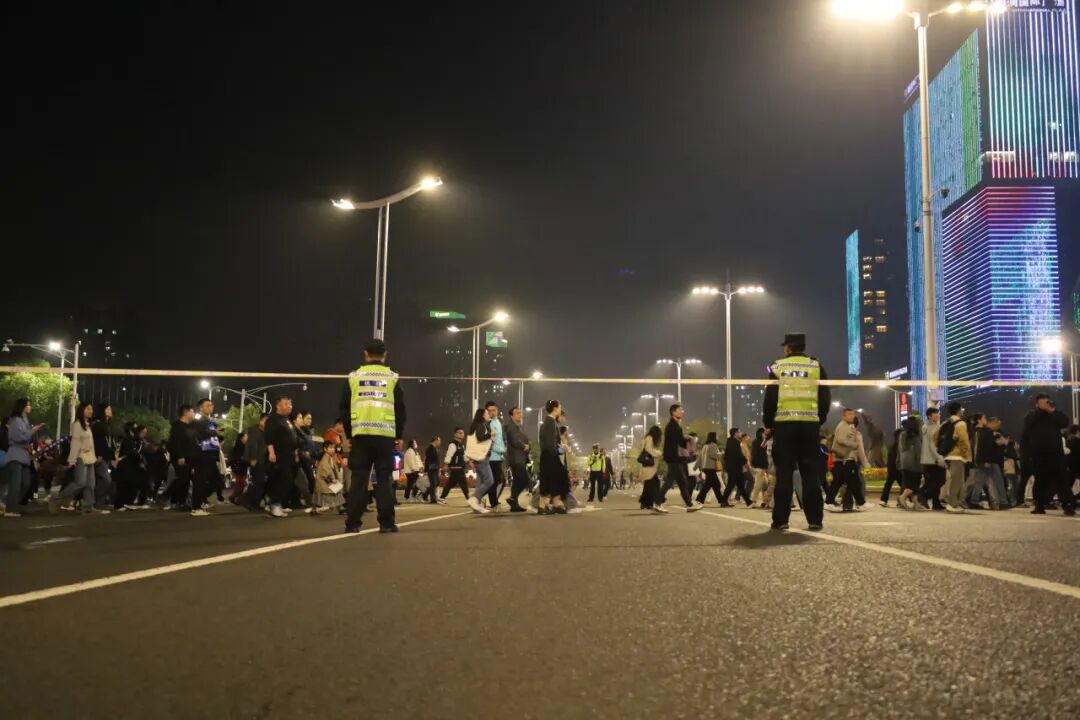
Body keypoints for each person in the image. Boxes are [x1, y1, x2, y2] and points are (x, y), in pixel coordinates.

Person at [762, 332, 830, 531]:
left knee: (784, 474)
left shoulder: (777, 367)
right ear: (804, 347)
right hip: (809, 426)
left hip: (784, 426)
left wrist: (768, 423)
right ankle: (815, 520)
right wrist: (819, 419)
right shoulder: (816, 367)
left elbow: (770, 398)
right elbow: (825, 396)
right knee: (810, 475)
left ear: (787, 347)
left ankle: (781, 520)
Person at [341, 339, 406, 534]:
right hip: (385, 434)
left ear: (365, 354)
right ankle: (386, 523)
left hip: (360, 434)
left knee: (359, 478)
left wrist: (349, 434)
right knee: (384, 478)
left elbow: (344, 408)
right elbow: (400, 409)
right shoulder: (392, 377)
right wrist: (398, 435)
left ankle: (352, 523)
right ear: (385, 355)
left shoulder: (354, 377)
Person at [1020, 394, 1073, 516]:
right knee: (1040, 481)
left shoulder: (1055, 414)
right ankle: (1039, 505)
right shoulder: (1031, 415)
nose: (1046, 405)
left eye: (1047, 402)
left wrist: (1052, 411)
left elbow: (1065, 422)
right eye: (1043, 403)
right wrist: (1041, 410)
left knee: (1061, 480)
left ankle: (1067, 505)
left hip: (1056, 453)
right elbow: (1029, 424)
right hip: (1039, 454)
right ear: (1037, 404)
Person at [2, 398, 46, 517]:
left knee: (26, 483)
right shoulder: (15, 420)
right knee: (15, 484)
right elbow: (19, 438)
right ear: (22, 407)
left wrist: (33, 431)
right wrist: (33, 430)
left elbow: (28, 437)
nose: (30, 407)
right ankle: (10, 509)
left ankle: (8, 503)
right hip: (16, 455)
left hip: (24, 456)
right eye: (28, 405)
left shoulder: (25, 419)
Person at [52, 401, 98, 513]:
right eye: (88, 409)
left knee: (90, 484)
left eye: (91, 409)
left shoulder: (88, 425)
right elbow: (75, 444)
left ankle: (88, 507)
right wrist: (72, 461)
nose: (90, 411)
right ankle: (57, 499)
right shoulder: (77, 425)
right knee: (80, 483)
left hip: (91, 458)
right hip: (81, 457)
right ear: (82, 410)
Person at [657, 403, 702, 512]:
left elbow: (677, 441)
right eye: (679, 410)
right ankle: (657, 502)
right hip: (674, 457)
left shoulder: (673, 425)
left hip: (673, 457)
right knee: (669, 482)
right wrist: (689, 439)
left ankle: (689, 504)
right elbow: (680, 442)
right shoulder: (674, 426)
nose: (682, 412)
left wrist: (685, 439)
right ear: (673, 412)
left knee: (682, 483)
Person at [265, 395, 299, 518]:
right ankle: (274, 504)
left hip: (290, 455)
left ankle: (273, 503)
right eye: (286, 404)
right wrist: (271, 452)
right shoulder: (273, 419)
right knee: (286, 479)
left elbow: (293, 438)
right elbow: (268, 437)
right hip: (279, 455)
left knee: (288, 479)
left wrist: (296, 453)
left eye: (290, 404)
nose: (289, 406)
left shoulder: (287, 420)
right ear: (278, 406)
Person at [828, 408, 867, 512]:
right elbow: (841, 440)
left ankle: (830, 502)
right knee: (854, 482)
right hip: (845, 458)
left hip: (844, 459)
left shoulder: (847, 426)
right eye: (849, 414)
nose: (852, 416)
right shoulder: (843, 426)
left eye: (853, 414)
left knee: (842, 481)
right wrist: (854, 445)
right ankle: (860, 503)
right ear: (844, 416)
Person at [936, 401, 971, 514]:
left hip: (948, 455)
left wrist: (942, 449)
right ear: (958, 410)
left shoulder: (946, 422)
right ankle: (952, 503)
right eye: (962, 409)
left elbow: (935, 436)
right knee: (957, 481)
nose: (963, 411)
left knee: (954, 480)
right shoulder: (961, 424)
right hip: (957, 456)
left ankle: (955, 503)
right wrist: (965, 453)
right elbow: (964, 440)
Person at [968, 414, 1005, 510]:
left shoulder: (982, 432)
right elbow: (985, 447)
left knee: (979, 481)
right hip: (987, 461)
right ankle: (1001, 502)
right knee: (996, 481)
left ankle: (974, 501)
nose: (998, 426)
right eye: (984, 418)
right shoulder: (986, 432)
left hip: (984, 460)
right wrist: (987, 460)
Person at [192, 398, 222, 516]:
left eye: (211, 405)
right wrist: (215, 432)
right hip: (202, 454)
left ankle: (201, 499)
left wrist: (218, 435)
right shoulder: (198, 421)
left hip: (212, 453)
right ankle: (196, 507)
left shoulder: (211, 421)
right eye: (207, 405)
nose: (210, 407)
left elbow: (213, 436)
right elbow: (201, 434)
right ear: (201, 408)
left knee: (217, 481)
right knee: (199, 480)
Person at [166, 405, 198, 510]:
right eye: (192, 412)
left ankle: (179, 501)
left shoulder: (191, 426)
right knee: (183, 479)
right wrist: (180, 456)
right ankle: (170, 497)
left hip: (190, 457)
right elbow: (173, 443)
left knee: (186, 480)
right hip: (180, 458)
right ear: (186, 413)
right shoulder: (177, 426)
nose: (194, 414)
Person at [537, 400, 567, 514]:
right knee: (550, 480)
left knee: (551, 480)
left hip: (548, 455)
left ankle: (552, 504)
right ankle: (543, 506)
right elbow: (550, 444)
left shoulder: (548, 422)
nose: (560, 409)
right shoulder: (550, 423)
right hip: (550, 456)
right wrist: (560, 450)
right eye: (559, 407)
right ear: (555, 408)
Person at [465, 405, 496, 514]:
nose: (488, 415)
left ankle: (476, 505)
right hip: (481, 458)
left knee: (481, 481)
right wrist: (490, 434)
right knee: (489, 481)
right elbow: (480, 437)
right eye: (487, 413)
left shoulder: (478, 425)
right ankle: (474, 498)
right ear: (482, 415)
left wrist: (490, 440)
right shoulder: (481, 425)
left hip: (479, 457)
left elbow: (479, 438)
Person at [919, 407, 947, 511]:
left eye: (938, 413)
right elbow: (933, 445)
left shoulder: (929, 427)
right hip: (933, 460)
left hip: (928, 459)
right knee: (939, 481)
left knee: (932, 482)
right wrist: (939, 458)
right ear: (929, 416)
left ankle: (935, 503)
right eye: (935, 414)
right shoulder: (931, 428)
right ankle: (922, 495)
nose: (938, 415)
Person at [504, 407, 530, 512]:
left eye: (520, 413)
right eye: (517, 413)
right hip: (516, 458)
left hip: (520, 457)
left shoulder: (519, 427)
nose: (520, 414)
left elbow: (525, 439)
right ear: (512, 416)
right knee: (526, 480)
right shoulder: (511, 426)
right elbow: (514, 440)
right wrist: (524, 446)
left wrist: (528, 446)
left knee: (517, 481)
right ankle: (513, 498)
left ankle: (514, 504)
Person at [241, 413, 269, 509]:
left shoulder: (264, 432)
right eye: (265, 421)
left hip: (262, 460)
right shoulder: (255, 431)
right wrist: (253, 459)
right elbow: (252, 445)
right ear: (261, 420)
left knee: (260, 482)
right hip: (257, 460)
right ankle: (248, 501)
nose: (267, 423)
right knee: (259, 482)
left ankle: (252, 502)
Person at [895, 415, 923, 510]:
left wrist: (898, 461)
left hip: (904, 463)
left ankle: (916, 504)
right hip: (914, 464)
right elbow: (918, 452)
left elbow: (899, 450)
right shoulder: (916, 437)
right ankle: (902, 497)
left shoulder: (902, 435)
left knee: (909, 483)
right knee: (914, 485)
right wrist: (922, 464)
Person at [720, 428, 751, 507]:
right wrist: (745, 462)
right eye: (739, 432)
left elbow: (727, 456)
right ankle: (723, 501)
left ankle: (748, 502)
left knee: (739, 485)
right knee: (732, 485)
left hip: (733, 467)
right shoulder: (735, 442)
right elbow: (738, 455)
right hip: (735, 467)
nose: (740, 433)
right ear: (735, 433)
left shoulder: (730, 442)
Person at [485, 401, 506, 510]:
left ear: (497, 410)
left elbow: (499, 439)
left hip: (498, 456)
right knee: (497, 480)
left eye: (494, 410)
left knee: (498, 480)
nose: (492, 412)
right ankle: (493, 503)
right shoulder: (489, 424)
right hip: (492, 457)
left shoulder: (498, 422)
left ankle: (491, 501)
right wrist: (502, 450)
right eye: (489, 411)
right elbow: (490, 442)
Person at [438, 428, 469, 504]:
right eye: (459, 432)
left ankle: (442, 498)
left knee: (450, 483)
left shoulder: (461, 445)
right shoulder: (453, 444)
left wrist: (469, 462)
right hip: (456, 468)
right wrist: (446, 464)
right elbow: (449, 455)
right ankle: (470, 500)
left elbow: (464, 456)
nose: (461, 434)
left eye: (462, 433)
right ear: (455, 434)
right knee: (464, 484)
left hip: (459, 467)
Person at [314, 441, 346, 513]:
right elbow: (325, 469)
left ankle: (340, 508)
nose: (333, 449)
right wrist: (331, 479)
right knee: (333, 493)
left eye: (333, 448)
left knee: (332, 493)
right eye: (330, 448)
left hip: (326, 479)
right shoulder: (326, 457)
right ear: (325, 449)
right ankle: (340, 508)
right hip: (326, 480)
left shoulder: (329, 456)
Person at [638, 425, 664, 512]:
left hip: (649, 466)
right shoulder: (649, 438)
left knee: (649, 485)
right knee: (654, 483)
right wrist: (659, 453)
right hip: (649, 465)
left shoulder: (647, 438)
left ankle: (646, 503)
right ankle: (654, 501)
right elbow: (648, 449)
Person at [695, 431, 724, 505]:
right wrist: (722, 454)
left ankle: (722, 501)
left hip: (705, 467)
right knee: (707, 485)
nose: (717, 437)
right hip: (711, 467)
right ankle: (699, 499)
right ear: (713, 437)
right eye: (716, 436)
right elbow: (713, 455)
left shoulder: (705, 446)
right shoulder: (713, 445)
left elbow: (700, 457)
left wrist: (696, 466)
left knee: (716, 485)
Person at [749, 428, 773, 508]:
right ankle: (753, 501)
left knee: (765, 484)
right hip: (760, 466)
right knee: (758, 485)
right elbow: (757, 455)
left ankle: (765, 501)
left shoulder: (762, 442)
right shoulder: (758, 442)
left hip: (764, 466)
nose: (765, 435)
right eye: (764, 433)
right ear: (761, 433)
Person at [423, 436, 442, 504]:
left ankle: (425, 494)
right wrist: (425, 470)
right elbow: (427, 460)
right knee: (433, 484)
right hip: (431, 469)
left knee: (436, 484)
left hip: (436, 468)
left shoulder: (435, 449)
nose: (440, 442)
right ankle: (432, 499)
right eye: (439, 441)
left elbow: (437, 460)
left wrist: (439, 469)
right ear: (435, 441)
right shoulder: (429, 449)